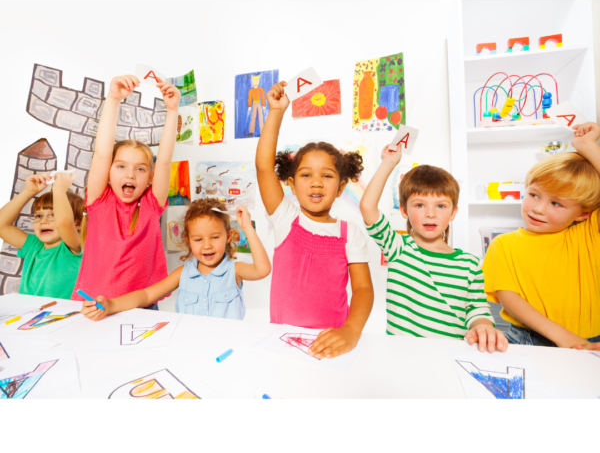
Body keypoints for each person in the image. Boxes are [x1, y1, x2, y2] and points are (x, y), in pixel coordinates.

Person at [256, 81, 374, 360]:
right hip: (282, 343)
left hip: (333, 345)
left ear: (341, 187)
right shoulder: (285, 218)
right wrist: (276, 112)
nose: (316, 183)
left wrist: (351, 331)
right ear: (291, 185)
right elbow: (263, 167)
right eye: (306, 175)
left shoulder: (350, 233)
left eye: (327, 176)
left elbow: (363, 289)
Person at [360, 143, 507, 353]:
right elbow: (367, 206)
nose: (431, 214)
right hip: (401, 357)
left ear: (453, 213)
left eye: (441, 206)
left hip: (451, 357)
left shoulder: (470, 263)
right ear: (404, 211)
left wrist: (482, 326)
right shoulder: (398, 248)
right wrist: (389, 162)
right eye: (419, 205)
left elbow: (477, 309)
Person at [483, 122, 600, 350]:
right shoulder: (503, 244)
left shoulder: (588, 234)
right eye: (534, 195)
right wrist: (567, 338)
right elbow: (511, 299)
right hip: (528, 339)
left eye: (556, 203)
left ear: (584, 213)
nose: (538, 208)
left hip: (591, 342)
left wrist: (586, 146)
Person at [72, 74, 179, 309]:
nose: (130, 175)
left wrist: (173, 111)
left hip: (141, 307)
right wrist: (113, 99)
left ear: (150, 177)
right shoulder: (99, 199)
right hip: (92, 304)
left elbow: (164, 161)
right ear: (108, 171)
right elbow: (101, 152)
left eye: (139, 169)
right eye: (121, 166)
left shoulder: (152, 204)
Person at [81, 200, 270, 320]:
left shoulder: (234, 271)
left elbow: (262, 270)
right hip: (188, 348)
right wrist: (110, 305)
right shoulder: (183, 273)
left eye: (215, 237)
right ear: (188, 241)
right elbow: (146, 296)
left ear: (228, 237)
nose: (207, 246)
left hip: (227, 348)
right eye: (198, 239)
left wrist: (248, 228)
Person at [0, 172, 83, 299]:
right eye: (39, 216)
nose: (43, 221)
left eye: (53, 215)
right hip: (30, 313)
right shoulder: (34, 245)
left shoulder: (74, 246)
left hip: (61, 315)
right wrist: (28, 191)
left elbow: (64, 224)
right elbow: (2, 226)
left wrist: (59, 190)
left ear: (77, 223)